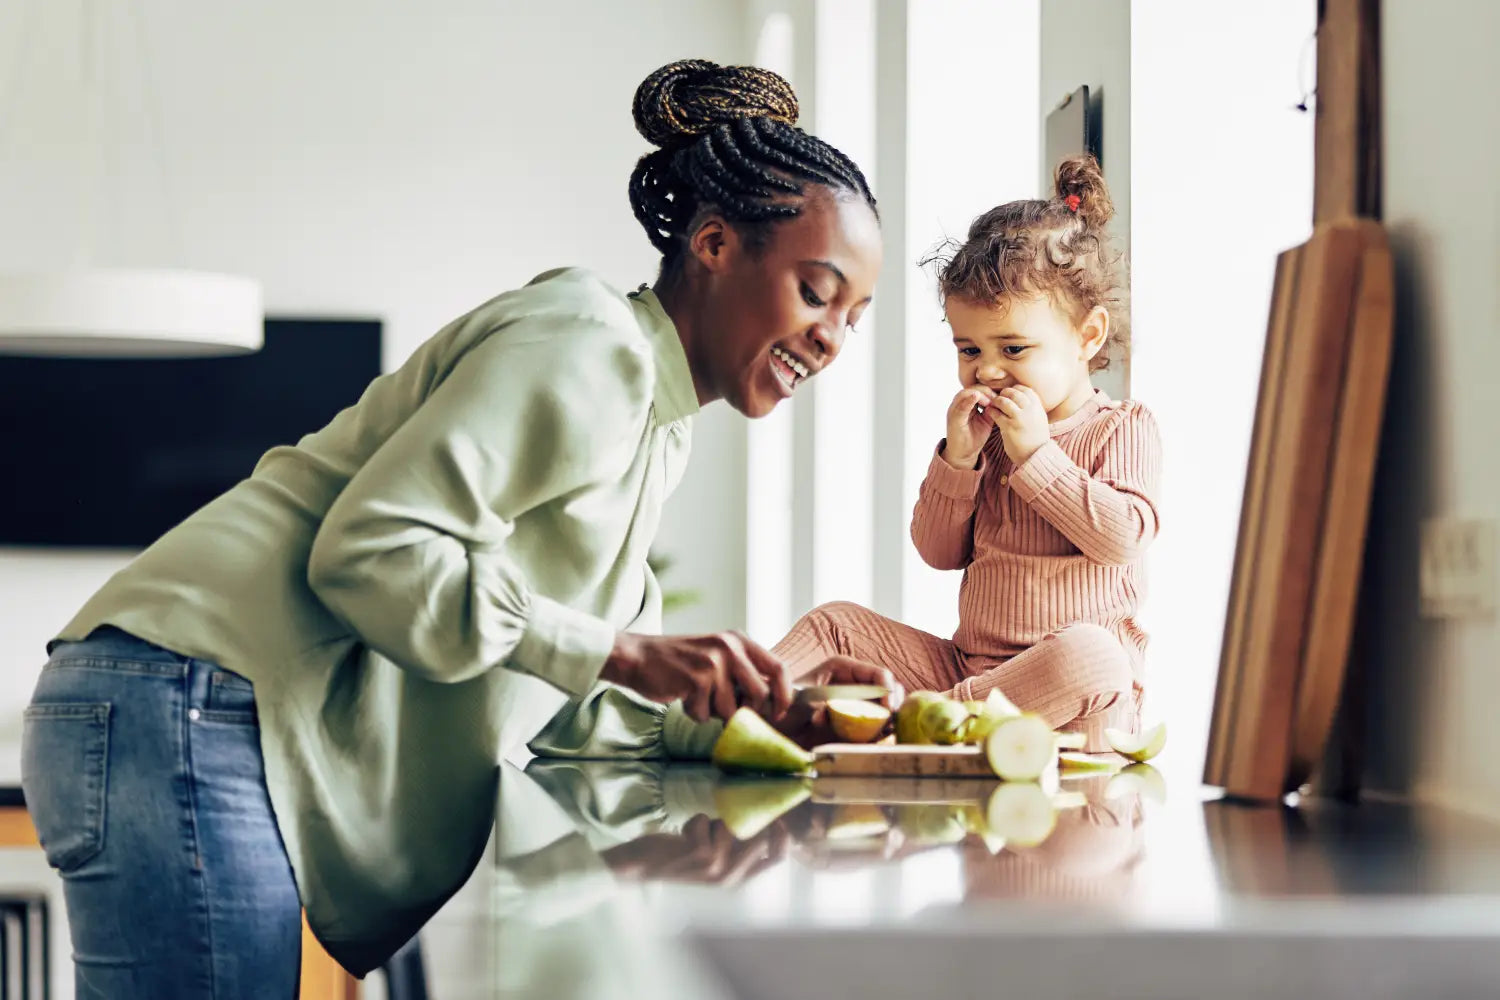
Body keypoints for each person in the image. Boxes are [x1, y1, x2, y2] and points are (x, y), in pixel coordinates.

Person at [19, 59, 887, 996]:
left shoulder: (656, 425)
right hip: (183, 692)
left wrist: (769, 706)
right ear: (714, 243)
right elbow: (376, 551)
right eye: (816, 291)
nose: (832, 338)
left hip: (182, 701)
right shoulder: (591, 342)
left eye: (855, 317)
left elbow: (572, 699)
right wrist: (629, 655)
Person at [769, 155, 1161, 751]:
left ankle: (918, 724)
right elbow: (936, 551)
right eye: (970, 349)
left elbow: (1124, 537)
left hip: (1062, 696)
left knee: (1097, 655)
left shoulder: (1122, 426)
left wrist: (1038, 459)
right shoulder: (988, 440)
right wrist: (958, 462)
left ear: (1088, 336)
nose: (989, 369)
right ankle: (733, 704)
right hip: (967, 671)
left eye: (1014, 347)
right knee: (835, 624)